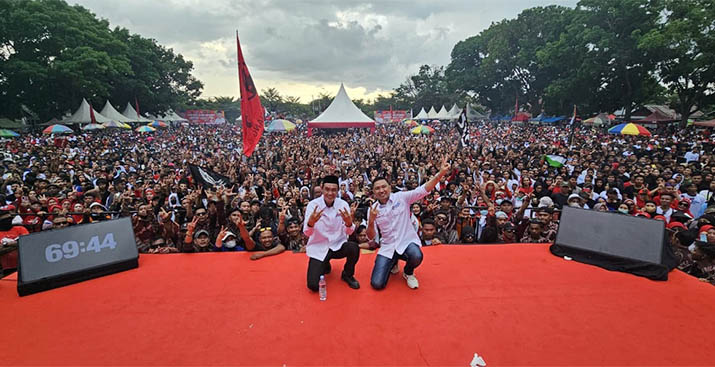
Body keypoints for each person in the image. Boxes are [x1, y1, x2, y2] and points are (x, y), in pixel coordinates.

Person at [367, 156, 451, 290]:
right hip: (388, 246)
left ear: (389, 187)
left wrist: (440, 173)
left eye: (384, 187)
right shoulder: (373, 210)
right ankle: (393, 262)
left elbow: (424, 189)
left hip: (406, 242)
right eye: (377, 188)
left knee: (417, 255)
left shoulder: (402, 197)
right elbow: (371, 236)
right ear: (373, 192)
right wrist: (371, 221)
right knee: (377, 284)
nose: (381, 190)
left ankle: (408, 272)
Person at [303, 175, 360, 291]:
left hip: (338, 245)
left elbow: (349, 232)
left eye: (334, 190)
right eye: (327, 189)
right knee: (313, 286)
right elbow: (307, 233)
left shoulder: (343, 205)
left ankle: (347, 275)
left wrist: (349, 223)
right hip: (319, 247)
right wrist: (311, 223)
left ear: (338, 190)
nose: (330, 193)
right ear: (322, 189)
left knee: (354, 248)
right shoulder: (313, 206)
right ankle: (325, 264)